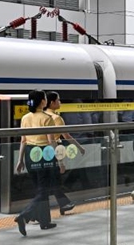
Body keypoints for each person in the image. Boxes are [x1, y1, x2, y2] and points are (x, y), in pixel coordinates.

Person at [14, 90, 58, 236]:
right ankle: (24, 215)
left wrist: (20, 160)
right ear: (43, 102)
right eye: (45, 98)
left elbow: (23, 140)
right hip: (44, 153)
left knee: (39, 189)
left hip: (29, 154)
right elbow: (51, 141)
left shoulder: (25, 118)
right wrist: (59, 158)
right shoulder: (47, 118)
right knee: (44, 189)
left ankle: (45, 222)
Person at [44, 91, 85, 216]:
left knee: (49, 181)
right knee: (54, 180)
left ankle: (62, 205)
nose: (60, 102)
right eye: (59, 100)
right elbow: (66, 136)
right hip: (53, 151)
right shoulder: (56, 118)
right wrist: (79, 147)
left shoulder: (42, 115)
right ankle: (61, 204)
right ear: (52, 102)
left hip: (40, 151)